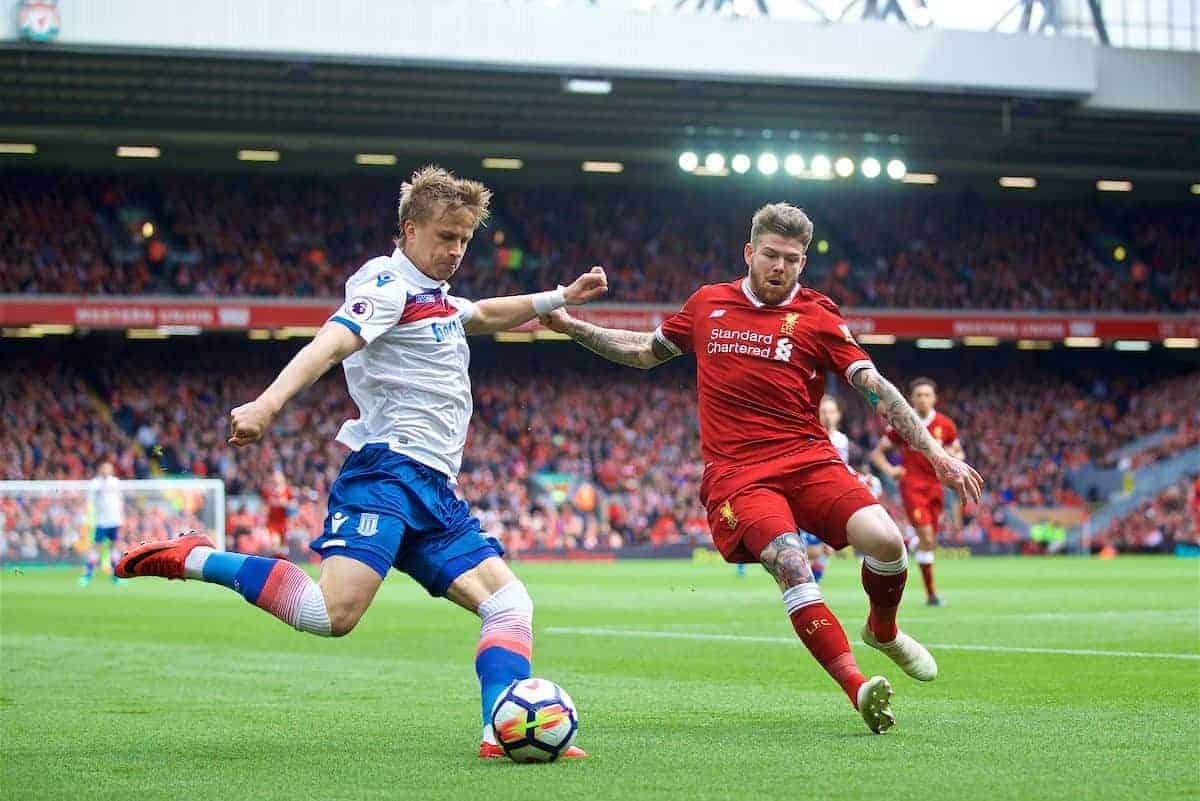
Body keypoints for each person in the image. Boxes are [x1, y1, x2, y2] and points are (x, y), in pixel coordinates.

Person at [116, 165, 608, 759]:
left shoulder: (437, 299)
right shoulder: (384, 285)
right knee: (329, 615)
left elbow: (479, 314)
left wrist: (559, 298)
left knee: (509, 603)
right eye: (444, 237)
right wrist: (267, 404)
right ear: (409, 229)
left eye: (463, 240)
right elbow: (331, 342)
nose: (454, 251)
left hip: (434, 487)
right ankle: (193, 558)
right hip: (385, 475)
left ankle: (497, 733)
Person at [540, 202, 983, 734]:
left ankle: (882, 632)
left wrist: (934, 455)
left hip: (808, 458)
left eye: (791, 259)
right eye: (770, 255)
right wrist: (571, 327)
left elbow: (876, 387)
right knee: (790, 561)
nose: (779, 266)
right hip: (738, 473)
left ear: (803, 263)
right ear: (749, 253)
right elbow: (643, 352)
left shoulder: (819, 315)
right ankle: (857, 687)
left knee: (888, 542)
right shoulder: (708, 303)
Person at [870, 377, 964, 606]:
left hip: (936, 487)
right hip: (912, 485)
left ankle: (911, 544)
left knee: (928, 543)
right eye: (918, 395)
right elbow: (877, 454)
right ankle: (931, 595)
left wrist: (954, 461)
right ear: (911, 399)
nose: (922, 399)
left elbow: (959, 452)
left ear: (935, 398)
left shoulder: (946, 425)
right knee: (928, 538)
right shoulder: (903, 422)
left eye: (927, 395)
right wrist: (890, 470)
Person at [81, 461, 123, 586]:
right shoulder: (95, 483)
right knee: (97, 547)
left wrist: (122, 517)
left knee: (115, 547)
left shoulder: (115, 482)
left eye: (109, 469)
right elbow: (90, 501)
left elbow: (119, 500)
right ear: (100, 469)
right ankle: (88, 575)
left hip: (115, 520)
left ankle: (116, 576)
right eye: (104, 468)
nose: (106, 470)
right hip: (102, 521)